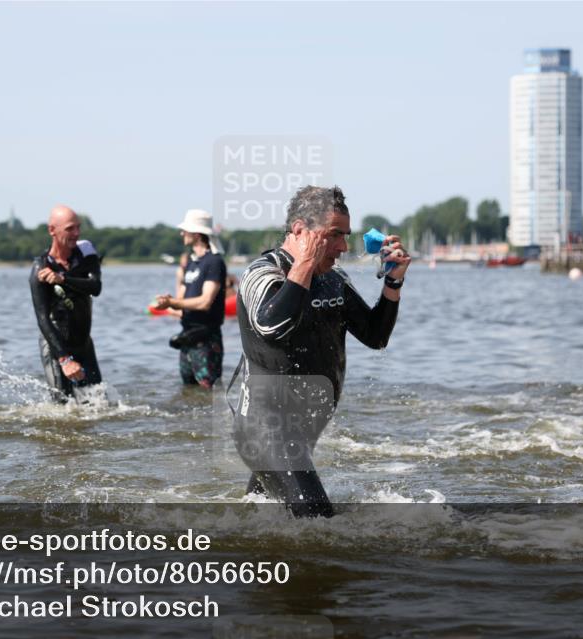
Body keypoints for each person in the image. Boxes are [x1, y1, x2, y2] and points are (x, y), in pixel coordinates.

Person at [231, 185, 409, 517]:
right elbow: (271, 328)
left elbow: (375, 337)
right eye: (334, 235)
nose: (343, 247)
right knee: (319, 522)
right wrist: (305, 264)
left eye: (346, 236)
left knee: (263, 518)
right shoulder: (262, 273)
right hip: (265, 427)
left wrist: (393, 283)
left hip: (302, 430)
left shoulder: (332, 280)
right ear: (300, 230)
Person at [30, 205, 103, 402]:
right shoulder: (41, 268)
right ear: (52, 230)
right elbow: (43, 319)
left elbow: (95, 287)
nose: (76, 233)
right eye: (70, 229)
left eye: (78, 227)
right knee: (62, 406)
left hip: (83, 342)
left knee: (99, 404)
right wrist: (64, 360)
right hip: (56, 346)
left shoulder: (86, 251)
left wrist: (63, 279)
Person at [155, 209, 227, 389]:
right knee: (188, 391)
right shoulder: (191, 262)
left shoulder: (214, 262)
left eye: (185, 230)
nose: (182, 234)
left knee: (209, 391)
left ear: (196, 234)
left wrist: (173, 303)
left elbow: (205, 302)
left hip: (207, 339)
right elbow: (180, 299)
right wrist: (167, 302)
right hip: (187, 337)